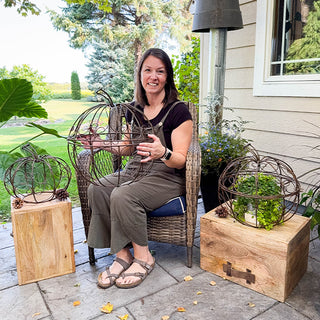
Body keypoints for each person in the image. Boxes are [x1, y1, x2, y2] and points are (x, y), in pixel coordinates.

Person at [79, 48, 193, 289]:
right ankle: (123, 254)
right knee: (97, 188)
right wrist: (101, 144)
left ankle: (144, 257)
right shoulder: (135, 109)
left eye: (160, 71)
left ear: (167, 77)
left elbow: (181, 159)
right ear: (140, 75)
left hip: (166, 176)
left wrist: (163, 152)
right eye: (148, 70)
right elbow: (127, 148)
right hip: (135, 171)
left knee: (122, 194)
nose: (153, 76)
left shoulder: (178, 111)